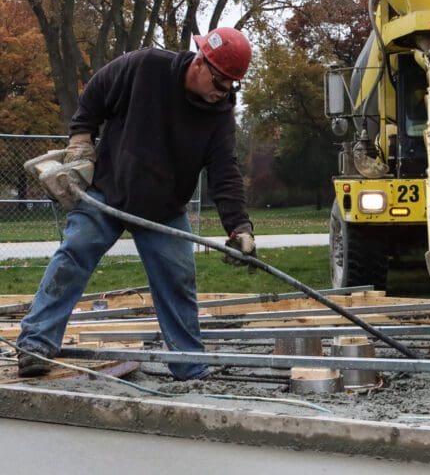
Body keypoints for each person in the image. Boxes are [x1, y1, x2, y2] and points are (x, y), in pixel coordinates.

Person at [17, 27, 257, 381]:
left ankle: (189, 365)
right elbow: (97, 91)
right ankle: (35, 344)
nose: (221, 93)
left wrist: (239, 227)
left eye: (230, 87)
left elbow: (225, 173)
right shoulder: (147, 67)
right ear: (201, 61)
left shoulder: (219, 117)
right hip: (109, 189)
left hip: (163, 208)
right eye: (220, 83)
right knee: (73, 255)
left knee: (178, 279)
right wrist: (81, 136)